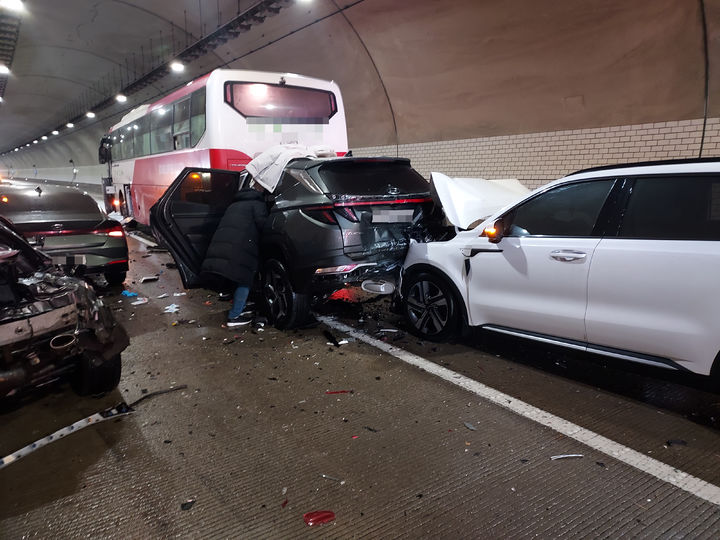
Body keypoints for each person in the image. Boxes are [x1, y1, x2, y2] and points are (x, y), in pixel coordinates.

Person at [201, 180, 268, 327]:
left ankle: (240, 308)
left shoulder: (235, 203)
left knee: (235, 277)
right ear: (262, 190)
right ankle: (234, 316)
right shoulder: (258, 204)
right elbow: (263, 225)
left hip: (226, 245)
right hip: (241, 246)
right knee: (245, 279)